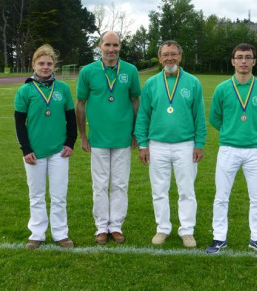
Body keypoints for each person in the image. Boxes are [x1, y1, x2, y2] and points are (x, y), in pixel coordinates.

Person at [206, 43, 257, 256]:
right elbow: (215, 117)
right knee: (221, 196)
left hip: (254, 151)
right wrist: (231, 132)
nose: (244, 61)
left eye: (248, 57)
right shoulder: (222, 88)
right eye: (240, 57)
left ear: (254, 61)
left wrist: (254, 133)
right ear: (233, 61)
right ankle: (219, 238)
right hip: (228, 149)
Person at [135, 40, 207, 248]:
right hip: (156, 144)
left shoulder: (193, 82)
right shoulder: (151, 83)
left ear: (180, 56)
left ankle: (187, 231)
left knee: (186, 190)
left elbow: (199, 116)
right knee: (159, 189)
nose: (169, 58)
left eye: (173, 54)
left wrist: (199, 143)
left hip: (185, 144)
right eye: (165, 55)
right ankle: (163, 228)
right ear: (159, 58)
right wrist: (142, 144)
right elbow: (143, 117)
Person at [76, 31, 141, 245]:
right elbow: (80, 104)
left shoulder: (130, 71)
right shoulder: (88, 71)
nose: (111, 49)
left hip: (123, 138)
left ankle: (116, 226)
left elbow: (135, 102)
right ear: (100, 45)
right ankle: (101, 227)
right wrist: (83, 135)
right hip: (98, 139)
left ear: (120, 47)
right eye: (107, 45)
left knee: (120, 184)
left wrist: (134, 133)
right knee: (100, 184)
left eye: (115, 45)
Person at [14, 44, 77, 249]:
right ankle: (37, 234)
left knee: (59, 195)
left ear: (54, 66)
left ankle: (60, 234)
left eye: (49, 63)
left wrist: (70, 142)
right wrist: (26, 149)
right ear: (34, 64)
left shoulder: (63, 89)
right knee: (36, 195)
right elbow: (19, 123)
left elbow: (71, 119)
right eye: (41, 63)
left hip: (59, 151)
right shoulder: (25, 90)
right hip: (35, 152)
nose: (45, 67)